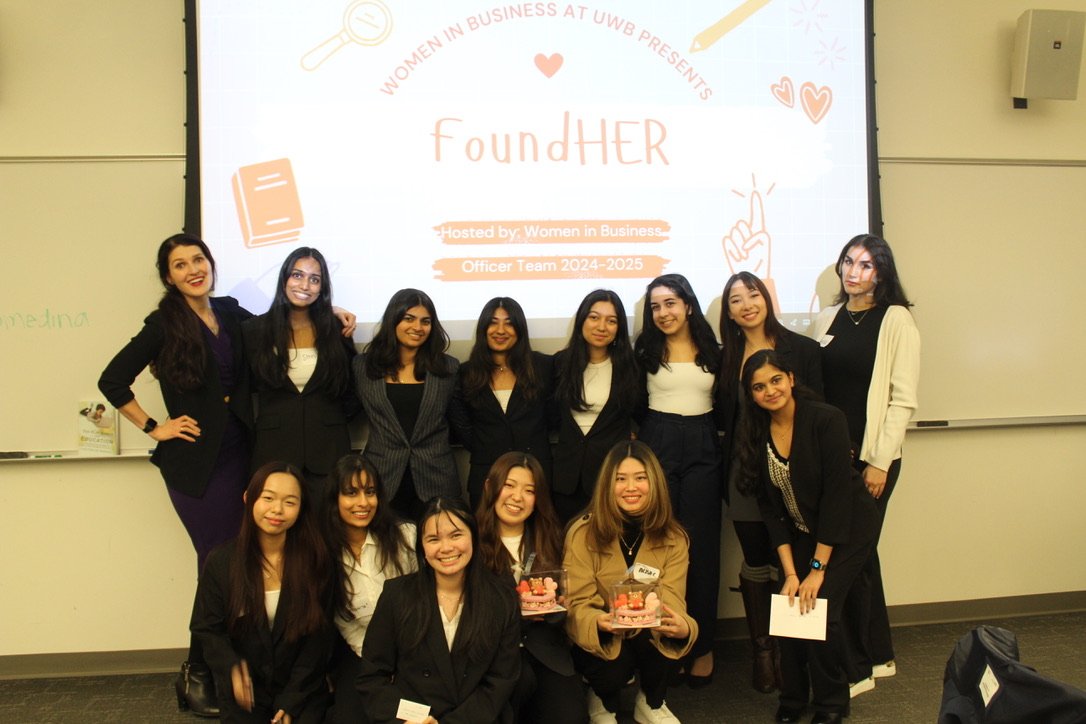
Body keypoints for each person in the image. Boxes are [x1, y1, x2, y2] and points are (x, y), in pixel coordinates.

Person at [98, 233, 255, 716]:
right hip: (196, 465)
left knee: (239, 563)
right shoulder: (163, 324)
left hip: (242, 454)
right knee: (217, 564)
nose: (193, 269)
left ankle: (224, 666)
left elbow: (281, 328)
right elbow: (111, 380)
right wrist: (154, 427)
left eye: (198, 259)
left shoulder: (229, 312)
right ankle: (198, 671)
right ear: (169, 277)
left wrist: (335, 314)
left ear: (210, 263)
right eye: (180, 264)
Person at [735, 350, 878, 724]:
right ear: (751, 395)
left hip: (848, 529)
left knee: (819, 609)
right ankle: (794, 698)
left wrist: (816, 569)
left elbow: (836, 499)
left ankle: (832, 701)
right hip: (801, 530)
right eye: (759, 387)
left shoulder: (826, 419)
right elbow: (770, 509)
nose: (770, 391)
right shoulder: (756, 433)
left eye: (776, 380)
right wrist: (790, 573)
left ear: (791, 379)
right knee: (787, 607)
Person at [809, 234, 919, 693]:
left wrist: (879, 462)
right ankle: (876, 655)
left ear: (881, 273)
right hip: (834, 458)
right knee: (862, 557)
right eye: (849, 262)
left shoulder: (896, 320)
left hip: (873, 460)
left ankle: (858, 665)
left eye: (866, 265)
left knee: (849, 557)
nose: (854, 272)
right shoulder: (827, 317)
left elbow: (902, 400)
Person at [717, 271, 823, 693]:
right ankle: (763, 652)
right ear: (728, 312)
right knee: (756, 557)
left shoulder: (802, 350)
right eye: (736, 300)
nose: (747, 305)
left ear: (766, 298)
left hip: (794, 472)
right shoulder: (724, 358)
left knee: (794, 559)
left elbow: (819, 410)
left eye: (753, 294)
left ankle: (792, 652)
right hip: (744, 472)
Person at [190, 461, 334, 724]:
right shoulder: (222, 561)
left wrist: (292, 700)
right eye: (268, 498)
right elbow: (206, 628)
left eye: (290, 502)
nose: (277, 509)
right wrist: (232, 667)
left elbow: (319, 641)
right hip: (245, 694)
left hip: (301, 690)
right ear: (248, 498)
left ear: (301, 508)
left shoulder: (316, 561)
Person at [563, 440, 696, 724]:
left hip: (649, 632)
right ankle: (602, 698)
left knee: (675, 637)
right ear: (607, 485)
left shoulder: (675, 537)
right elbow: (577, 604)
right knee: (613, 664)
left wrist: (682, 626)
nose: (631, 488)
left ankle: (651, 701)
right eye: (620, 479)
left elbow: (673, 598)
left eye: (640, 478)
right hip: (607, 635)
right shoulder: (582, 533)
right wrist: (599, 623)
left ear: (655, 483)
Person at [357, 496, 522, 723]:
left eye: (456, 535)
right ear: (422, 547)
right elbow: (373, 677)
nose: (446, 548)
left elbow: (500, 682)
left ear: (473, 537)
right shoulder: (397, 595)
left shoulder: (502, 600)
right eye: (433, 539)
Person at [633, 273, 721, 685]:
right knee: (658, 544)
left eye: (670, 303)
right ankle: (659, 641)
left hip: (704, 442)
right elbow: (633, 404)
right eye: (655, 306)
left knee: (701, 548)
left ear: (687, 304)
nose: (663, 313)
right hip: (658, 439)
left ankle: (701, 644)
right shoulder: (644, 351)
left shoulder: (713, 349)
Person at [475, 452, 589, 724]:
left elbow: (561, 607)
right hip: (492, 656)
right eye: (509, 485)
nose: (518, 497)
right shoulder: (469, 540)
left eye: (529, 490)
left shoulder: (551, 538)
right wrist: (518, 612)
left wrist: (560, 607)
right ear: (490, 487)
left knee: (571, 717)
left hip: (545, 650)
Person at [243, 247, 358, 496]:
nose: (305, 285)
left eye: (314, 279)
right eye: (297, 275)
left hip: (329, 450)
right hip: (273, 450)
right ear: (284, 278)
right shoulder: (254, 330)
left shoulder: (337, 329)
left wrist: (326, 418)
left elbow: (352, 390)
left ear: (322, 287)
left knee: (328, 520)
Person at [323, 453, 416, 724]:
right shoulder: (324, 552)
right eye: (351, 493)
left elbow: (425, 602)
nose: (363, 503)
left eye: (370, 492)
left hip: (414, 651)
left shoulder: (405, 537)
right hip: (361, 652)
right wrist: (377, 659)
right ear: (335, 499)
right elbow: (343, 623)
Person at [353, 289, 461, 521]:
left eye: (425, 321)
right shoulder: (363, 367)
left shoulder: (448, 368)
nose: (417, 327)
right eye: (409, 319)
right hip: (382, 477)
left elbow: (461, 422)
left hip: (437, 478)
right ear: (393, 320)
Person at [451, 297, 554, 509]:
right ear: (483, 328)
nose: (500, 330)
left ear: (520, 329)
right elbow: (463, 427)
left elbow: (554, 417)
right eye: (493, 323)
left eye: (509, 323)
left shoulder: (543, 367)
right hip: (486, 476)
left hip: (535, 475)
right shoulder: (466, 373)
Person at [551, 290, 639, 524]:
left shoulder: (630, 367)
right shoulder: (560, 363)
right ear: (582, 320)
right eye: (594, 317)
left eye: (611, 321)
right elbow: (551, 415)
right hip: (566, 478)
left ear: (619, 328)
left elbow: (640, 413)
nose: (602, 327)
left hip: (611, 475)